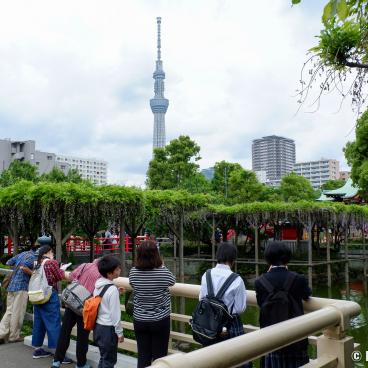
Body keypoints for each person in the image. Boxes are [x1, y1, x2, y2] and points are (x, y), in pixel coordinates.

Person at [255, 241, 312, 368]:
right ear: (287, 258)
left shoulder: (260, 281)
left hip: (271, 339)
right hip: (295, 337)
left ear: (267, 259)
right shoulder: (298, 279)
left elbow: (261, 304)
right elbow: (307, 295)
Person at [199, 242, 252, 368]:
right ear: (233, 259)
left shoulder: (206, 275)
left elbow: (201, 299)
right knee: (236, 360)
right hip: (229, 326)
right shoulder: (236, 279)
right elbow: (239, 308)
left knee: (211, 360)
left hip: (209, 325)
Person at [129, 240, 175, 368]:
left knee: (143, 356)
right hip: (160, 320)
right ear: (156, 255)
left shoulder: (133, 272)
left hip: (140, 320)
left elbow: (132, 284)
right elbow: (173, 281)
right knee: (159, 358)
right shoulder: (162, 272)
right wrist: (162, 266)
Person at [51, 259, 102, 368]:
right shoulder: (102, 273)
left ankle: (57, 361)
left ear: (94, 261)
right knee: (82, 337)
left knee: (64, 332)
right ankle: (81, 363)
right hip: (85, 307)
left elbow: (71, 277)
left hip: (72, 303)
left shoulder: (84, 265)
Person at [32, 245, 67, 360]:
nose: (53, 254)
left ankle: (37, 349)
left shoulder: (37, 263)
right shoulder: (51, 262)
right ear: (47, 252)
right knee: (54, 322)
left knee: (39, 322)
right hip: (49, 295)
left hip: (37, 295)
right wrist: (62, 269)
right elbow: (59, 276)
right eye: (52, 251)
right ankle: (58, 354)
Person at [0, 244, 37, 343]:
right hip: (22, 287)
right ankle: (14, 336)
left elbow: (9, 262)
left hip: (12, 285)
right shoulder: (34, 257)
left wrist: (17, 267)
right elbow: (25, 268)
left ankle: (1, 334)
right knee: (18, 312)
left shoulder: (22, 254)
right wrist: (33, 272)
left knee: (9, 311)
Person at [93, 255, 124, 368]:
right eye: (117, 269)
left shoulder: (98, 285)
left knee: (103, 357)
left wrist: (116, 292)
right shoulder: (112, 289)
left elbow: (102, 302)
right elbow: (115, 315)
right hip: (108, 330)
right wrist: (119, 333)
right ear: (110, 273)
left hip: (98, 327)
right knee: (109, 361)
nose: (119, 270)